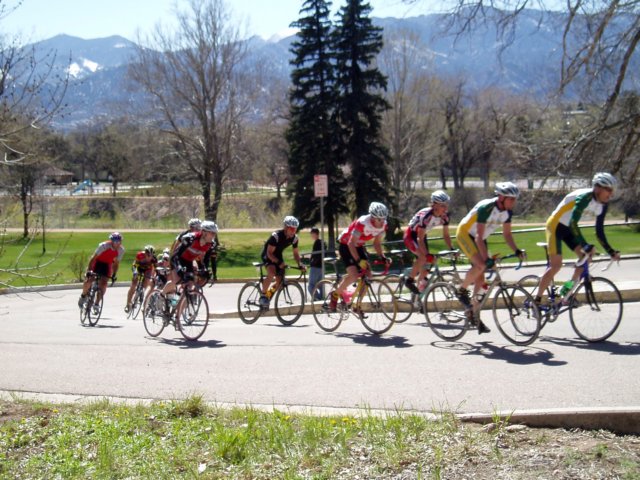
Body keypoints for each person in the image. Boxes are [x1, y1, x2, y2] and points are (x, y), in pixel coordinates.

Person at [535, 172, 621, 304]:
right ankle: (537, 300)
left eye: (612, 191)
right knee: (556, 265)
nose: (611, 194)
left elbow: (599, 232)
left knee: (584, 261)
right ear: (598, 188)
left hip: (569, 228)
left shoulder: (603, 205)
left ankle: (565, 294)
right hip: (556, 225)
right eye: (608, 190)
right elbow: (573, 223)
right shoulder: (584, 197)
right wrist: (585, 245)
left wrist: (611, 251)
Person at [455, 182, 525, 334]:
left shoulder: (507, 212)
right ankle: (461, 290)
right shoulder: (486, 207)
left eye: (515, 199)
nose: (513, 202)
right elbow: (478, 237)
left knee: (482, 284)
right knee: (481, 265)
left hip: (481, 238)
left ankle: (474, 314)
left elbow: (507, 235)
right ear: (501, 197)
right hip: (466, 234)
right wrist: (486, 259)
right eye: (511, 199)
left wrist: (517, 250)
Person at [329, 202, 390, 311]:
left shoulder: (384, 225)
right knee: (353, 275)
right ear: (372, 217)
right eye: (378, 219)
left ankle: (357, 304)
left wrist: (383, 257)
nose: (381, 222)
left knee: (368, 276)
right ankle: (335, 295)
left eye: (383, 219)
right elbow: (350, 243)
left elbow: (377, 243)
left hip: (358, 245)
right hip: (346, 244)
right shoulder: (362, 223)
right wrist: (358, 260)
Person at [403, 190, 455, 294]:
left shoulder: (445, 217)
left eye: (446, 205)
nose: (446, 208)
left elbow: (446, 235)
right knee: (423, 257)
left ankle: (419, 295)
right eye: (443, 205)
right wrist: (426, 254)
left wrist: (452, 249)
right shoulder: (426, 216)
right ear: (435, 205)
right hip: (411, 236)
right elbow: (419, 238)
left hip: (422, 236)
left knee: (430, 262)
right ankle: (409, 281)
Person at [162, 220, 218, 301]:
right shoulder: (190, 238)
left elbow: (206, 260)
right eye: (212, 233)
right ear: (204, 232)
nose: (214, 236)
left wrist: (204, 270)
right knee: (177, 280)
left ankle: (178, 311)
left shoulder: (210, 244)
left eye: (215, 233)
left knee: (191, 286)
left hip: (188, 260)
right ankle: (161, 294)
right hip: (177, 258)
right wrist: (178, 267)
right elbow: (177, 254)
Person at [260, 216, 305, 308]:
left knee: (279, 281)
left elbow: (296, 253)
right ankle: (263, 295)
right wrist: (278, 262)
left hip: (278, 255)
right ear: (286, 227)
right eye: (292, 229)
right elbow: (269, 253)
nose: (293, 231)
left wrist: (300, 264)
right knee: (272, 272)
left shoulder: (295, 238)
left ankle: (268, 295)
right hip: (268, 254)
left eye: (295, 229)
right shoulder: (276, 236)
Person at [78, 232, 125, 311]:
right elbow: (93, 258)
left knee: (103, 284)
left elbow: (116, 263)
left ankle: (96, 303)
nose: (117, 244)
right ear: (111, 241)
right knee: (89, 280)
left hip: (107, 265)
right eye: (115, 242)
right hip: (97, 262)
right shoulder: (104, 246)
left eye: (119, 242)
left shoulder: (121, 250)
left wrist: (114, 274)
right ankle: (83, 296)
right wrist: (89, 270)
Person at [124, 245, 157, 313]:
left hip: (148, 270)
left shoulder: (154, 259)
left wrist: (154, 276)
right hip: (139, 268)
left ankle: (142, 292)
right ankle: (128, 303)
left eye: (150, 255)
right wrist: (135, 272)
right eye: (147, 255)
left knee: (147, 280)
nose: (149, 257)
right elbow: (134, 265)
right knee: (133, 284)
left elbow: (155, 269)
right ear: (145, 253)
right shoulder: (140, 255)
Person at [307, 227, 326, 300]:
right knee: (321, 285)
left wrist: (311, 262)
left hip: (315, 267)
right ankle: (322, 299)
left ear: (315, 234)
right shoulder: (323, 242)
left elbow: (316, 255)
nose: (311, 235)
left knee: (310, 286)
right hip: (321, 267)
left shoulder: (317, 243)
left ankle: (317, 298)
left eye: (312, 233)